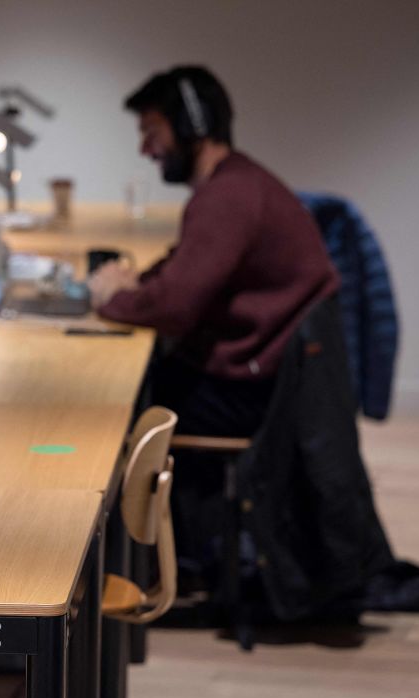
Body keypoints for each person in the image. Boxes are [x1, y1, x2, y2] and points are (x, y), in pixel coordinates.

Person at [91, 65, 339, 439]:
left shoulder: (227, 197)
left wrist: (112, 297)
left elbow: (173, 307)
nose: (145, 149)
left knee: (112, 411)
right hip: (270, 377)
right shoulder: (237, 181)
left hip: (256, 394)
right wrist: (139, 282)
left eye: (152, 132)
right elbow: (184, 267)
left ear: (192, 126)